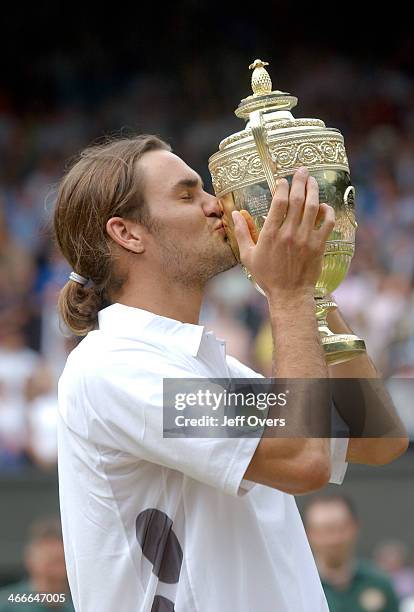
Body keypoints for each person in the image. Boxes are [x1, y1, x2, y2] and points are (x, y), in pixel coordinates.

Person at [53, 135, 408, 611]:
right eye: (188, 194)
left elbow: (375, 436)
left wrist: (317, 288)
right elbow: (302, 458)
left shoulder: (211, 366)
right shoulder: (112, 366)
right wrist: (289, 293)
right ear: (128, 233)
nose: (216, 205)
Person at [304, 494, 400, 612]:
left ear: (355, 527)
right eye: (324, 530)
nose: (334, 539)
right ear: (308, 534)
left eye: (340, 528)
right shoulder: (301, 586)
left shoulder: (379, 582)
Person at [0, 517, 74, 611]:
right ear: (30, 559)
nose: (57, 569)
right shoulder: (8, 603)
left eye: (61, 560)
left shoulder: (80, 603)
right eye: (51, 560)